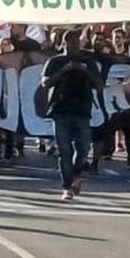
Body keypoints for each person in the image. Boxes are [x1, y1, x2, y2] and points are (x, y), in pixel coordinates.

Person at [41, 33, 101, 200]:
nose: (73, 46)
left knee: (83, 148)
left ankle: (76, 174)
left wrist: (84, 71)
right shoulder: (55, 62)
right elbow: (45, 83)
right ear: (64, 43)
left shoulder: (88, 62)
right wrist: (64, 70)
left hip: (82, 110)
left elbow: (99, 85)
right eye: (70, 43)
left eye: (76, 43)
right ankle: (67, 186)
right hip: (60, 110)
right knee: (64, 150)